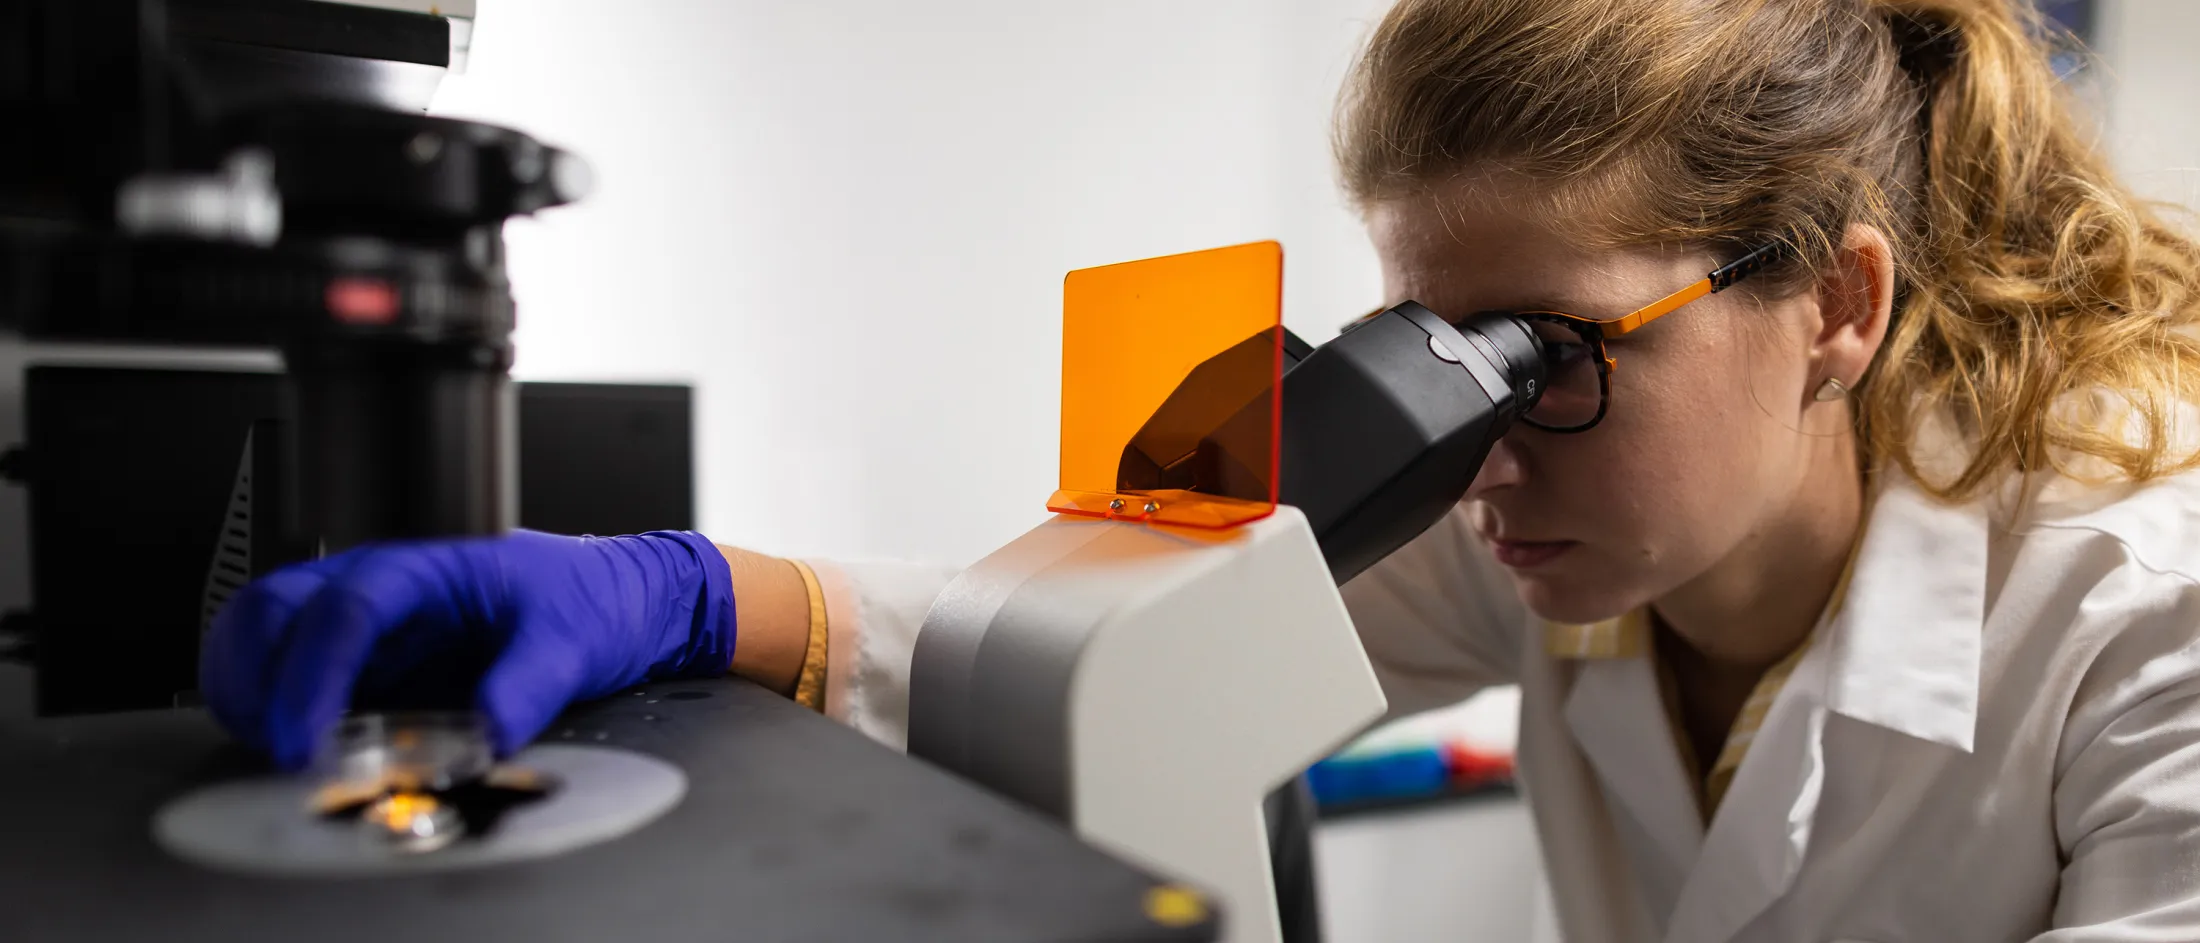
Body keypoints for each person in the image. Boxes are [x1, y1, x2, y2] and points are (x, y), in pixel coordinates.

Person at [201, 0, 2200, 938]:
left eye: (1546, 354)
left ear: (1831, 309)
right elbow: (1049, 644)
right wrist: (706, 595)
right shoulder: (1533, 533)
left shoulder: (2141, 613)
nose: (1475, 442)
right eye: (1431, 345)